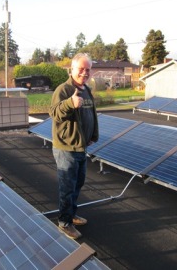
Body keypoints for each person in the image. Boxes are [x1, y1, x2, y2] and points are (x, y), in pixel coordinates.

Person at [49, 53, 99, 239]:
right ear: (72, 69)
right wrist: (70, 103)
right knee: (67, 187)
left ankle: (72, 214)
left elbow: (91, 114)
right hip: (66, 148)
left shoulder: (86, 89)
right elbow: (54, 113)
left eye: (88, 70)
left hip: (81, 147)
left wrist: (93, 135)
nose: (84, 73)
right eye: (81, 69)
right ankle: (64, 222)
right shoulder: (63, 90)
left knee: (78, 183)